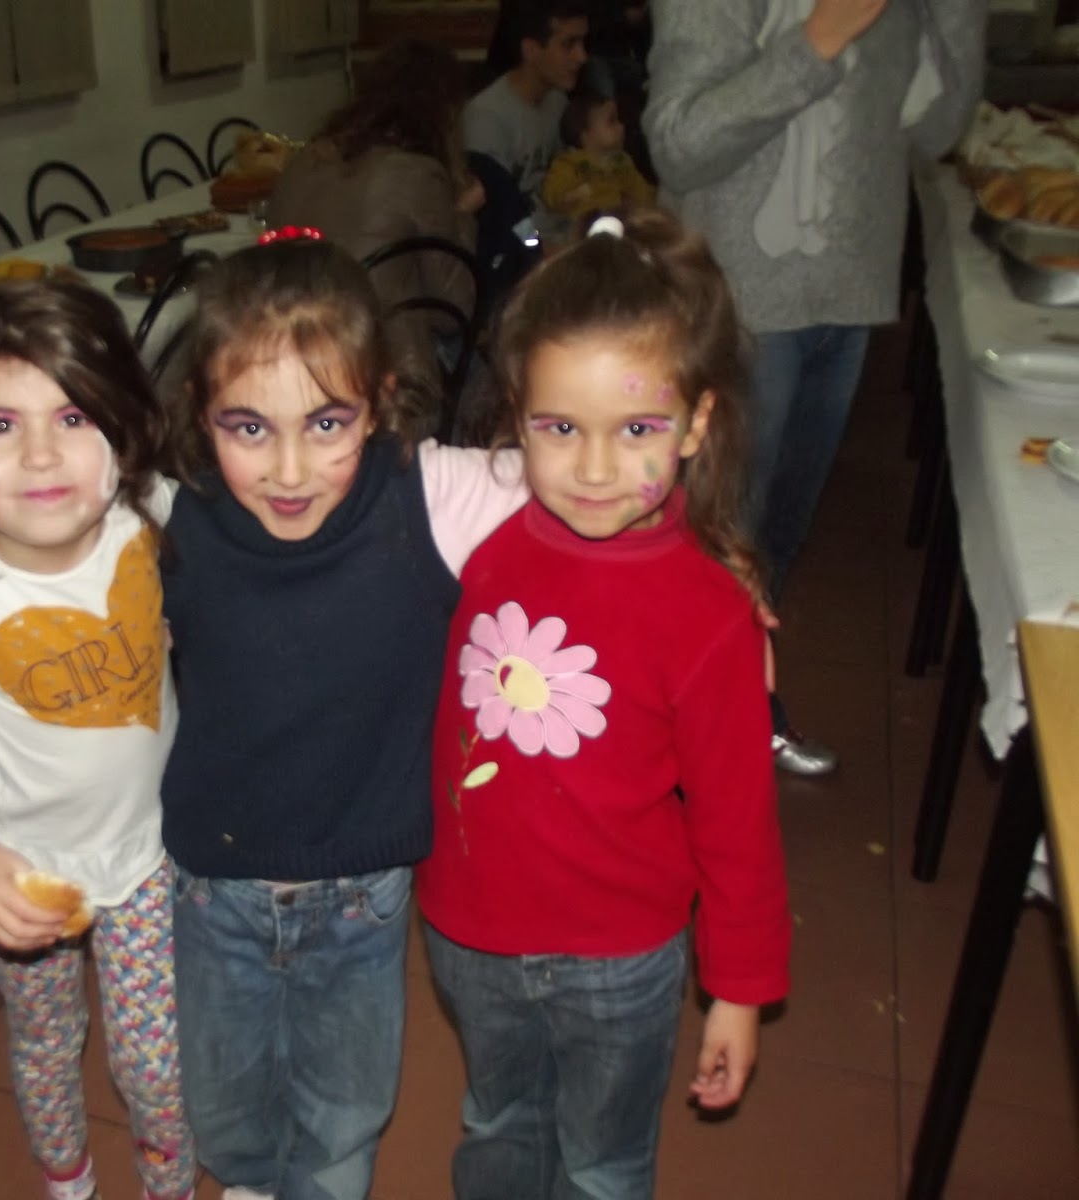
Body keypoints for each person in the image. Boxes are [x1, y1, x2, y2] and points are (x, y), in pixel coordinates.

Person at [417, 210, 792, 1199]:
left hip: (621, 961)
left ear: (696, 425)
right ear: (516, 417)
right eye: (559, 429)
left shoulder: (710, 615)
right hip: (469, 934)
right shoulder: (478, 534)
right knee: (498, 1125)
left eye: (637, 430)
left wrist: (739, 989)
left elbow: (738, 824)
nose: (592, 469)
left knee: (602, 1165)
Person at [160, 235, 529, 1200]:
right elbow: (48, 534)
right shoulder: (171, 514)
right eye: (248, 427)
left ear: (381, 399)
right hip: (212, 889)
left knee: (344, 1116)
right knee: (223, 1110)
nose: (290, 470)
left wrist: (710, 569)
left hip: (363, 894)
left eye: (328, 423)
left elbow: (589, 478)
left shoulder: (429, 494)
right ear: (200, 412)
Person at [0, 283, 195, 1200]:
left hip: (151, 857)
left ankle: (170, 1186)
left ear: (123, 436)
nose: (42, 453)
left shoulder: (147, 520)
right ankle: (68, 1180)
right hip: (26, 871)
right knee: (47, 1039)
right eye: (0, 425)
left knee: (159, 1065)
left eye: (72, 415)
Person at [642, 0, 987, 774]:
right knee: (711, 536)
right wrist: (820, 39)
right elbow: (678, 144)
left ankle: (735, 702)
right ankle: (671, 734)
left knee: (771, 542)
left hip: (849, 297)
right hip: (740, 305)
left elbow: (934, 131)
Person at [265, 38, 484, 407]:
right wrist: (463, 213)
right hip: (387, 382)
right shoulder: (418, 174)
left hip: (290, 360)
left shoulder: (302, 162)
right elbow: (455, 312)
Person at [465, 0, 592, 241]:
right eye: (568, 45)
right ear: (531, 50)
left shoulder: (557, 101)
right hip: (524, 249)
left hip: (564, 237)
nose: (582, 57)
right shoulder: (487, 119)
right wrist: (537, 248)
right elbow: (496, 216)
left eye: (583, 43)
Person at [541, 89, 655, 222]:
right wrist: (569, 196)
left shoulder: (622, 161)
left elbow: (641, 192)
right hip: (584, 227)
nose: (621, 126)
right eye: (611, 121)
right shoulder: (569, 164)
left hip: (619, 224)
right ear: (586, 135)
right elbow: (553, 195)